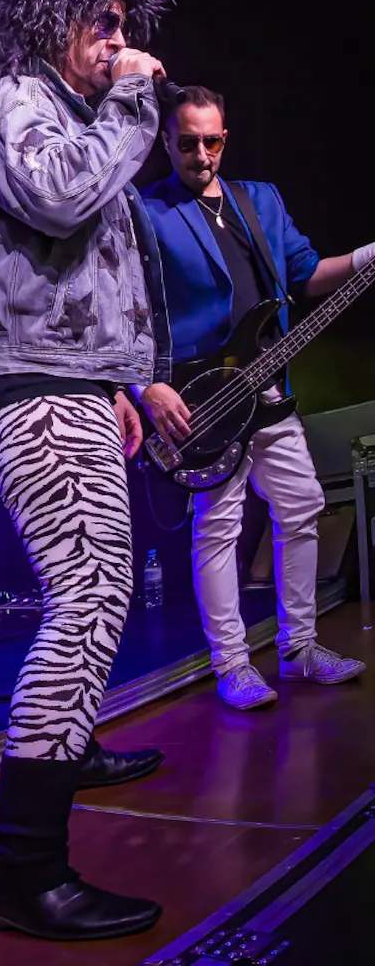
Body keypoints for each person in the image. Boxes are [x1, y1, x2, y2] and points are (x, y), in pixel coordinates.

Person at [0, 0, 177, 942]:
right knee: (88, 594)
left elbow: (91, 269)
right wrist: (133, 99)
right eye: (108, 23)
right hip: (27, 382)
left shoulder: (69, 112)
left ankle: (63, 740)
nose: (123, 44)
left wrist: (123, 381)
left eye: (129, 27)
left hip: (69, 379)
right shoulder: (18, 104)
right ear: (54, 18)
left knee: (94, 590)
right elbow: (63, 195)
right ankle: (18, 869)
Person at [140, 86, 370, 708]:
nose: (201, 155)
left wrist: (364, 259)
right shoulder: (146, 211)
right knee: (219, 525)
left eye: (212, 141)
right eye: (187, 143)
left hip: (267, 385)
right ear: (166, 141)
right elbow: (125, 308)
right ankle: (233, 665)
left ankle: (300, 649)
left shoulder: (258, 201)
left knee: (302, 506)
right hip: (202, 397)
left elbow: (306, 274)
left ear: (225, 139)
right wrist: (143, 383)